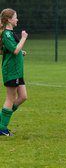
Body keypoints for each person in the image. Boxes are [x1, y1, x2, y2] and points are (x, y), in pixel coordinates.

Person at [0, 8, 28, 136]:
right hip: (11, 71)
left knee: (23, 97)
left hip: (17, 71)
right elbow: (14, 50)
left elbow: (14, 51)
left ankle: (1, 120)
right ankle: (2, 127)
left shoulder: (10, 34)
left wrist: (21, 53)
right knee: (10, 98)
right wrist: (23, 38)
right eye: (15, 17)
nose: (17, 19)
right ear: (9, 20)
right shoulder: (6, 34)